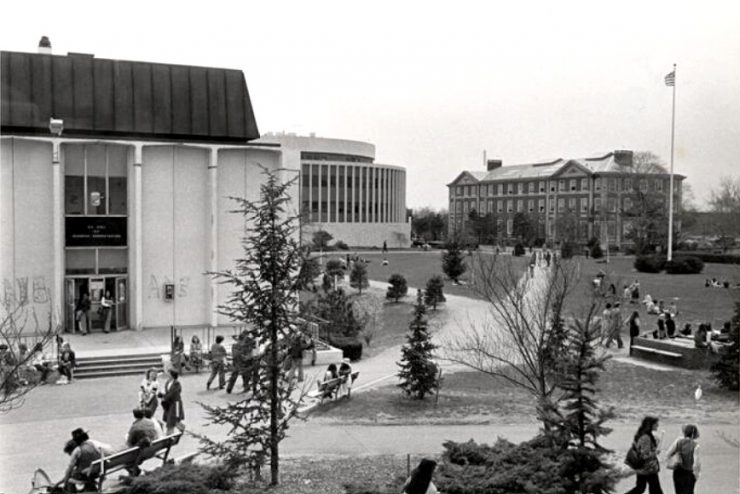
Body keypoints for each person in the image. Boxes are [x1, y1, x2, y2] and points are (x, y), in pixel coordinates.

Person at [60, 428, 114, 493]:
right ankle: (90, 489)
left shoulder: (77, 450)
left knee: (70, 477)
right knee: (83, 471)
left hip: (89, 474)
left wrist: (65, 481)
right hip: (98, 470)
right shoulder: (91, 444)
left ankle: (70, 492)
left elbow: (70, 468)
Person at [625, 416, 664, 494]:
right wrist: (655, 452)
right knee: (654, 489)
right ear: (650, 425)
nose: (658, 425)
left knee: (641, 488)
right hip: (647, 468)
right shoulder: (646, 437)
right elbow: (644, 455)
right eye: (656, 424)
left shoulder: (644, 435)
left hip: (644, 468)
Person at [665, 424, 701, 494]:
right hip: (688, 473)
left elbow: (668, 454)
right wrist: (697, 475)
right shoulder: (696, 445)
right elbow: (696, 463)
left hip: (678, 471)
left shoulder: (678, 442)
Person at [159, 369, 184, 435]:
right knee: (171, 418)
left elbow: (173, 393)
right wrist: (161, 394)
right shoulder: (168, 382)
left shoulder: (176, 383)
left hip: (176, 403)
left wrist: (164, 397)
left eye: (169, 373)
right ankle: (181, 427)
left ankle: (169, 434)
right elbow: (167, 391)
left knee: (173, 419)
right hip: (169, 403)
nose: (167, 374)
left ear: (172, 375)